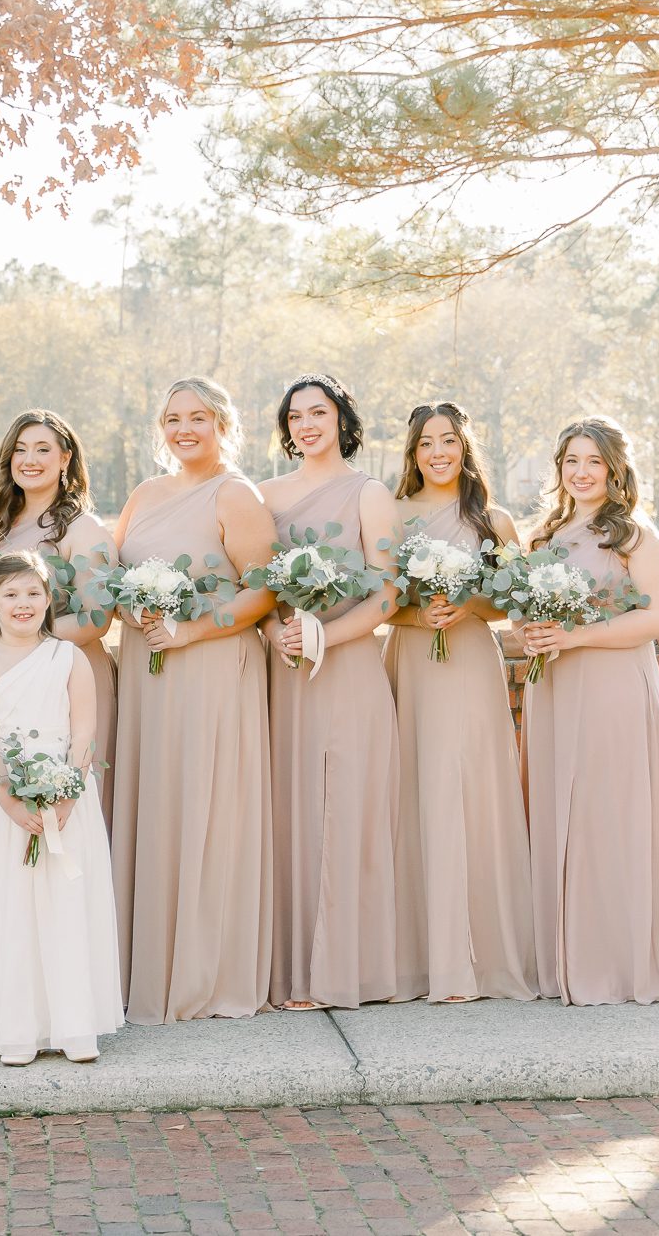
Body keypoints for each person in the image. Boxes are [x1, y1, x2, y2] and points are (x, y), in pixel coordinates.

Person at [519, 416, 659, 1006]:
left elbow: (658, 620)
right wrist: (530, 629)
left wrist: (575, 637)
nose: (581, 473)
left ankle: (618, 961)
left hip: (610, 687)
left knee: (610, 811)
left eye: (593, 462)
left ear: (614, 469)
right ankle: (568, 956)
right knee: (563, 812)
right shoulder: (547, 536)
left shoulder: (633, 534)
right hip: (553, 686)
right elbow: (529, 607)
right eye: (571, 461)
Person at [106, 377, 275, 1023]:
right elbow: (116, 577)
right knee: (158, 805)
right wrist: (137, 608)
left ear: (222, 424)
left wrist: (190, 630)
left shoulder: (237, 494)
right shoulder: (145, 495)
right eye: (173, 418)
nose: (183, 429)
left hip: (209, 666)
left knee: (208, 808)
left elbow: (261, 593)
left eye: (197, 417)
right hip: (150, 673)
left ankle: (207, 970)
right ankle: (144, 964)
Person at [257, 374, 408, 1010]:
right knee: (291, 811)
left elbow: (388, 590)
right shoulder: (262, 496)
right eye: (295, 417)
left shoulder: (369, 493)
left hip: (346, 666)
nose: (306, 425)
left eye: (318, 412)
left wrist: (327, 635)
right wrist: (275, 634)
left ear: (342, 419)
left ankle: (346, 969)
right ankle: (292, 970)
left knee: (346, 806)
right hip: (286, 671)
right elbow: (257, 587)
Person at [386, 401, 537, 1003]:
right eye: (426, 443)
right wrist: (419, 613)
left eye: (448, 440)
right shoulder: (393, 515)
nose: (437, 452)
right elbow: (379, 601)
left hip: (471, 658)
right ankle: (422, 958)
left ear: (465, 446)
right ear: (413, 453)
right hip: (412, 660)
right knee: (417, 789)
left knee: (473, 790)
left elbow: (512, 599)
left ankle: (481, 954)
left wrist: (469, 605)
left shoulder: (493, 520)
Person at [0, 551, 124, 1066]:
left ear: (48, 599)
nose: (22, 603)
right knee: (13, 908)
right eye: (10, 594)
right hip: (7, 805)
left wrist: (67, 792)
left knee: (67, 904)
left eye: (32, 593)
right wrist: (10, 801)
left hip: (69, 797)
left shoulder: (68, 656)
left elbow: (84, 729)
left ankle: (75, 1027)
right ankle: (18, 1030)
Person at [0, 410, 120, 825]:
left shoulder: (84, 530)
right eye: (19, 449)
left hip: (70, 683)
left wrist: (24, 645)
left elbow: (97, 620)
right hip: (3, 689)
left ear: (65, 458)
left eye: (42, 449)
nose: (29, 459)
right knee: (11, 806)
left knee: (70, 810)